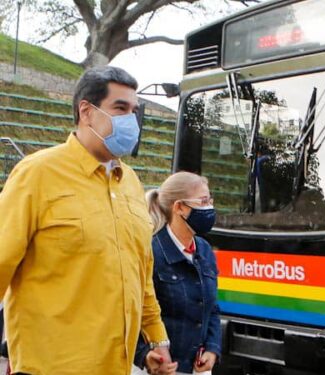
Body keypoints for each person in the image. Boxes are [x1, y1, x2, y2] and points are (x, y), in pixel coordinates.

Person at [0, 66, 177, 374]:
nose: (130, 120)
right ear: (86, 111)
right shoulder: (37, 174)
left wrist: (156, 337)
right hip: (49, 366)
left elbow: (140, 272)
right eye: (120, 108)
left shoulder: (131, 183)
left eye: (134, 111)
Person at [133, 172, 221, 375]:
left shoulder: (205, 250)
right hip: (158, 369)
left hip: (197, 369)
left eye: (210, 200)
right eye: (203, 201)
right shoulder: (151, 251)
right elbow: (132, 311)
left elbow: (212, 307)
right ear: (179, 207)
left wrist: (212, 349)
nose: (209, 208)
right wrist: (145, 354)